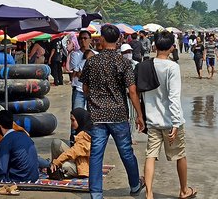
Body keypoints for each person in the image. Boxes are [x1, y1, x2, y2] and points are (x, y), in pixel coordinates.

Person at [79, 24, 145, 198]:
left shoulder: (92, 61)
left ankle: (96, 193)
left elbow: (84, 87)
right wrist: (139, 115)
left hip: (98, 115)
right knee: (126, 151)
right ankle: (135, 185)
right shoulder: (123, 62)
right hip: (118, 114)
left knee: (96, 154)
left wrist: (93, 99)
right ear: (118, 40)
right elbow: (132, 91)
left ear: (101, 39)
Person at [140, 31, 197, 199]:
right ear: (172, 47)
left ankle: (149, 193)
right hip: (170, 121)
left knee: (150, 155)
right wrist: (176, 122)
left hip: (152, 119)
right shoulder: (172, 67)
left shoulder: (145, 65)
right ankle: (184, 190)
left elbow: (140, 92)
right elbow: (173, 97)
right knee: (180, 155)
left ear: (155, 46)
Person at [0, 110, 39, 183]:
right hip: (34, 177)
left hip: (18, 179)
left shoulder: (5, 141)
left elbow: (2, 169)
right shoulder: (24, 136)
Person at [50, 108, 91, 178]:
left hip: (83, 166)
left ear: (80, 120)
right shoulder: (79, 131)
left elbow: (73, 152)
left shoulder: (85, 135)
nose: (71, 123)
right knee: (56, 143)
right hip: (76, 159)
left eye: (73, 120)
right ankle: (54, 169)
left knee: (65, 166)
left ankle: (57, 168)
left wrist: (57, 161)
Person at [68, 30, 96, 111]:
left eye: (85, 38)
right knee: (77, 114)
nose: (83, 40)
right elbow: (76, 72)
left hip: (92, 90)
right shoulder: (74, 54)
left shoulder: (95, 54)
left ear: (90, 39)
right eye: (80, 38)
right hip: (79, 89)